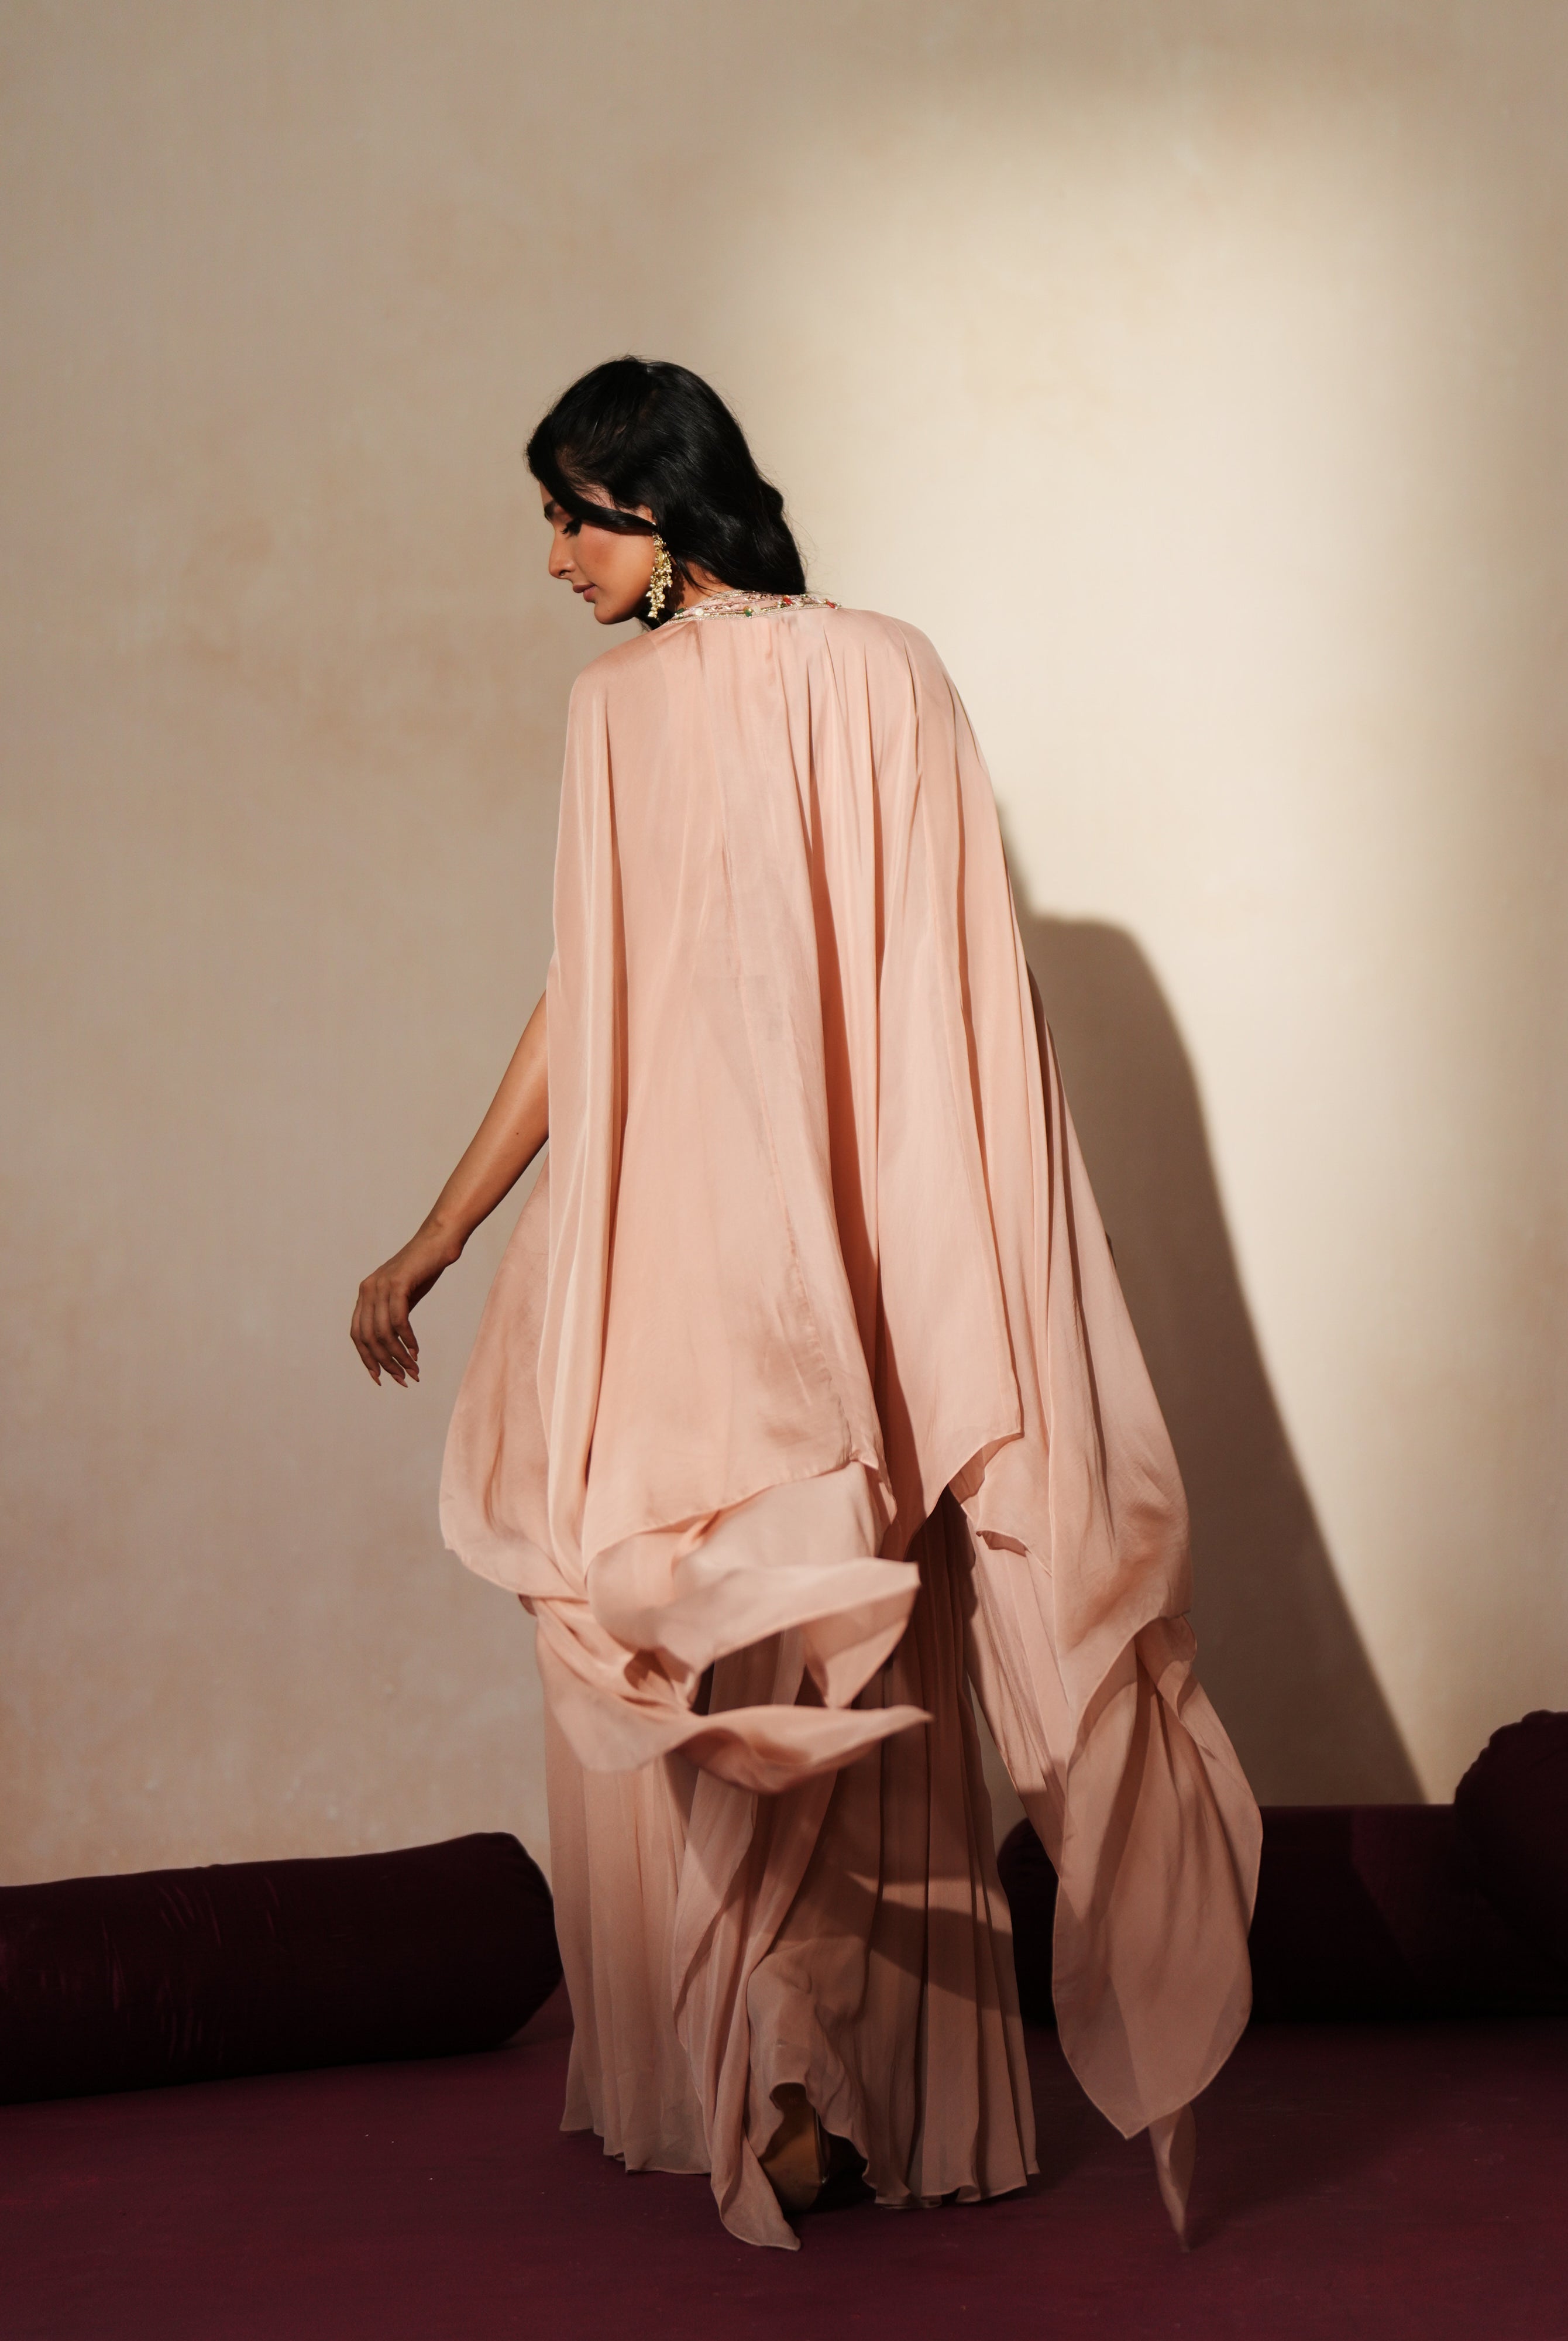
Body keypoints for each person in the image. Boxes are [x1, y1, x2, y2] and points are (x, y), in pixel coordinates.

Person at [351, 358, 1260, 2253]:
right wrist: (438, 1229)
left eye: (567, 518)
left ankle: (788, 2093)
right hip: (824, 1262)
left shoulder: (739, 695)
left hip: (724, 1265)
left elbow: (940, 992)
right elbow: (598, 1001)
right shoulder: (863, 674)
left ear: (658, 512)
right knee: (777, 1644)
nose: (547, 561)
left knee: (759, 1644)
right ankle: (808, 2098)